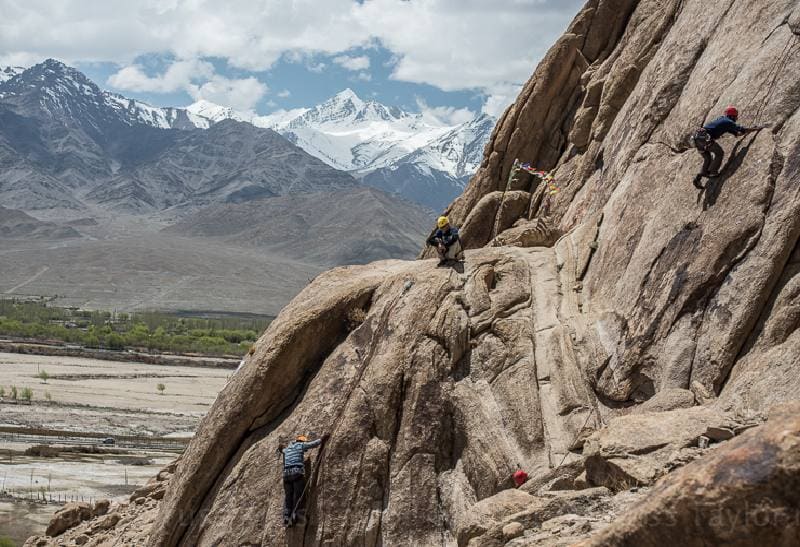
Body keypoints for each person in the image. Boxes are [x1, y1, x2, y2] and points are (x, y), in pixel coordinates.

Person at [691, 106, 759, 189]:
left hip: (697, 139)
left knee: (707, 158)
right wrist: (755, 129)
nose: (736, 118)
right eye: (736, 116)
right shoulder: (729, 122)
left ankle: (698, 177)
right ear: (733, 116)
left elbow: (736, 132)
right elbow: (742, 129)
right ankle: (712, 172)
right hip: (704, 139)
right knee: (719, 153)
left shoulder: (723, 119)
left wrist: (742, 134)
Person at [281, 434, 324, 527]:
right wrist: (322, 439)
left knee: (288, 497)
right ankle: (297, 516)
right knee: (299, 495)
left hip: (286, 475)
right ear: (302, 441)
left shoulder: (287, 449)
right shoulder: (300, 445)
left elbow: (282, 451)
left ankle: (286, 517)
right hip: (296, 472)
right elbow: (313, 444)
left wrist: (281, 448)